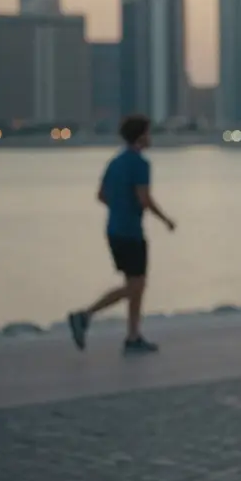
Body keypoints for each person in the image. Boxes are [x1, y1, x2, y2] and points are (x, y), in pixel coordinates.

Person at [67, 114, 175, 355]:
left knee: (135, 284)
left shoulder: (115, 162)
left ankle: (133, 337)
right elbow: (144, 198)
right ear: (140, 135)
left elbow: (101, 195)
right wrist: (166, 220)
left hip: (114, 229)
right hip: (130, 232)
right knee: (136, 286)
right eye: (148, 133)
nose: (151, 137)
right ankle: (85, 315)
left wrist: (119, 208)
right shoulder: (140, 164)